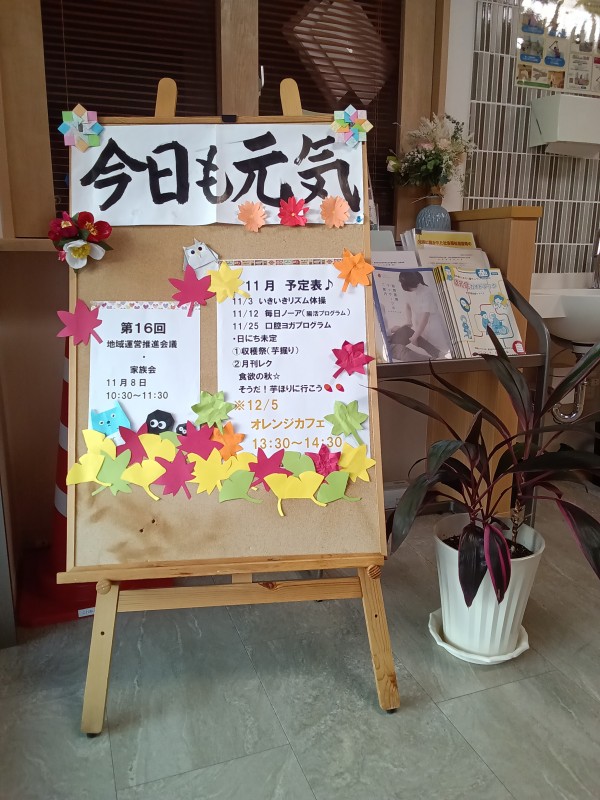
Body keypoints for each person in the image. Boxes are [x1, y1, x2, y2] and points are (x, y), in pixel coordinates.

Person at [389, 271, 442, 361]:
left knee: (427, 340)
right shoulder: (408, 290)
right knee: (405, 349)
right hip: (390, 340)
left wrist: (415, 336)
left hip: (431, 324)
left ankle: (438, 355)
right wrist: (408, 321)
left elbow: (425, 317)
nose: (411, 290)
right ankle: (433, 359)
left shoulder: (426, 292)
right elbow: (407, 305)